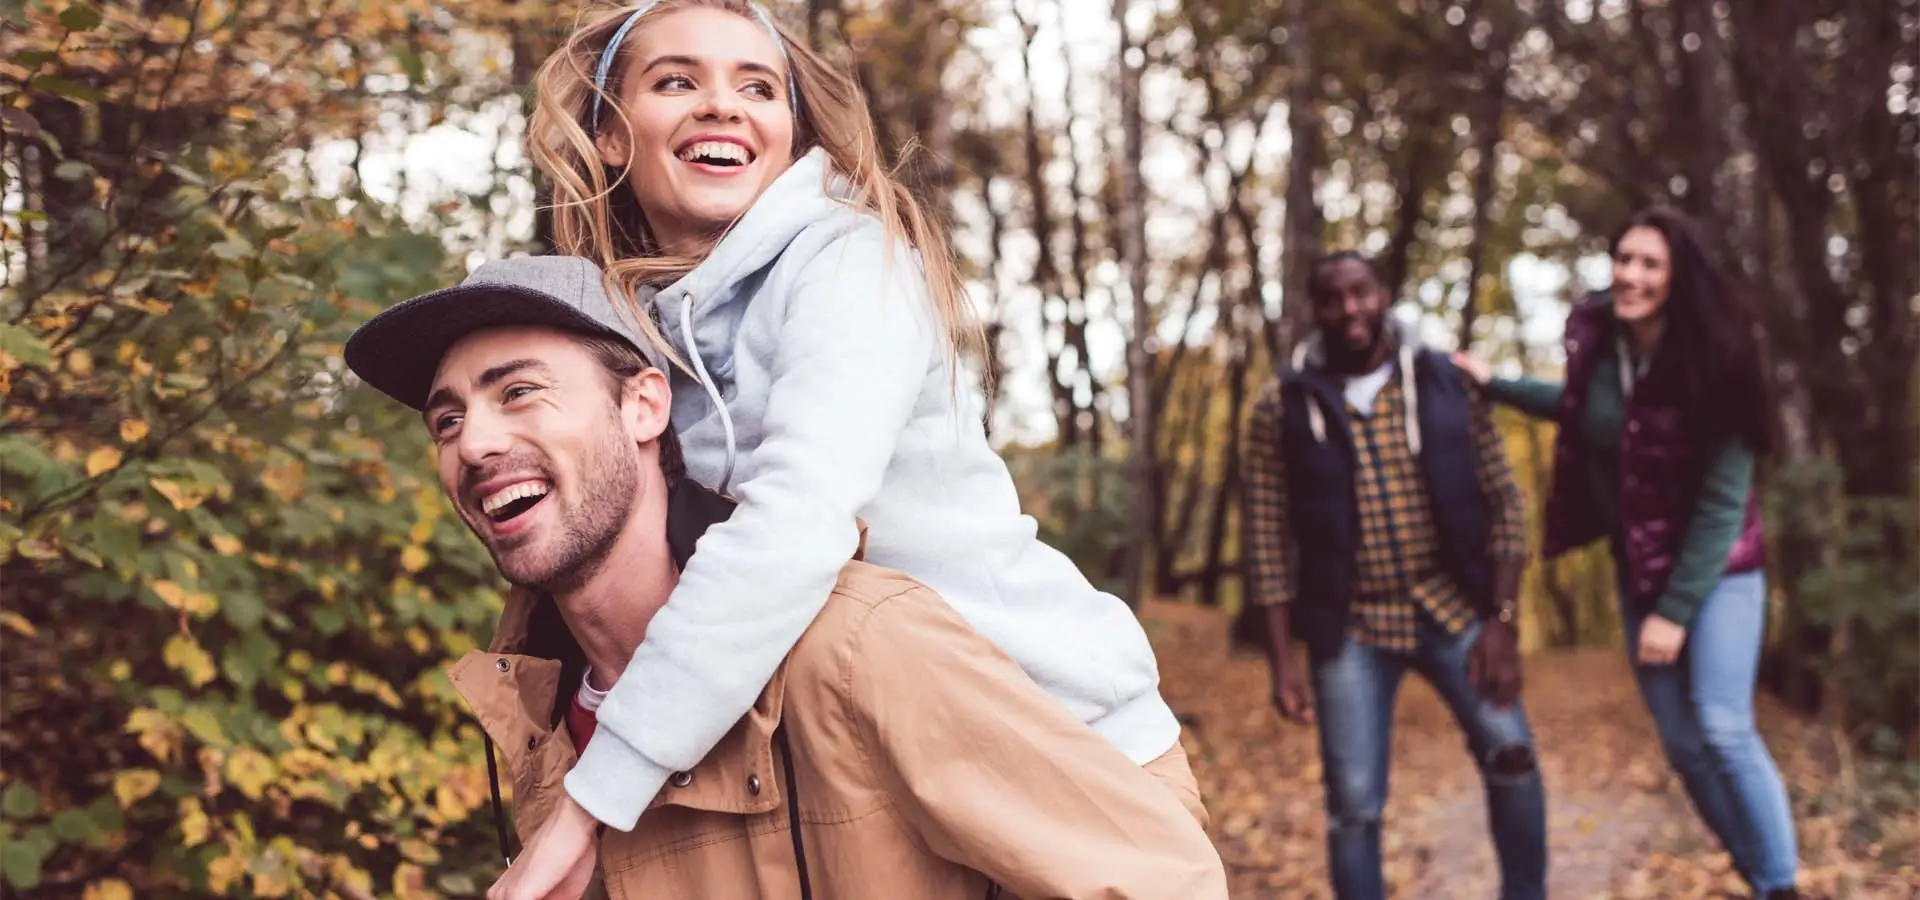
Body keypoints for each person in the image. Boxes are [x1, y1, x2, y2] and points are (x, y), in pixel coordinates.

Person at [498, 1, 1203, 893]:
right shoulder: (641, 333)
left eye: (758, 86)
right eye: (677, 80)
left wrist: (597, 797)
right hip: (869, 766)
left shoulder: (849, 263)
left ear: (789, 133)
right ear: (607, 135)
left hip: (1058, 753)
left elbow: (796, 524)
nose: (722, 104)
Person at [340, 255, 1228, 899]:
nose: (476, 443)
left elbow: (1164, 882)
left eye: (520, 391)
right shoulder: (535, 717)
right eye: (446, 420)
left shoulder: (858, 646)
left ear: (644, 406)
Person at [1454, 207, 1798, 900]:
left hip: (1721, 566)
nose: (1631, 275)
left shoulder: (1719, 354)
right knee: (1683, 747)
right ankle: (1762, 878)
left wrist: (1675, 612)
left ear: (1678, 278)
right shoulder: (1603, 343)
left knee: (1724, 727)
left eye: (1649, 264)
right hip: (1638, 570)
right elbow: (1583, 410)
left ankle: (1784, 887)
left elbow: (1724, 503)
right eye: (1623, 259)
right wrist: (1496, 384)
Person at [1244, 250, 1548, 900]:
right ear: (1316, 310)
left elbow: (1504, 503)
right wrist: (1281, 660)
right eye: (1333, 299)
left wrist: (1501, 621)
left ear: (1383, 294)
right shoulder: (1282, 407)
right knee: (1354, 804)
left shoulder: (1445, 382)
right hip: (1350, 626)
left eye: (1362, 293)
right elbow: (1267, 538)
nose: (1350, 310)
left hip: (1453, 608)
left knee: (1513, 757)